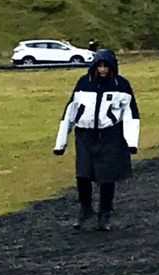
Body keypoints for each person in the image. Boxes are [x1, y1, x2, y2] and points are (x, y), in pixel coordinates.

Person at [53, 49, 139, 232]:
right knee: (82, 175)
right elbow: (70, 112)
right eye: (99, 66)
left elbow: (131, 114)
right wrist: (61, 143)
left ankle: (105, 213)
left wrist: (132, 142)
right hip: (84, 135)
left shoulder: (121, 85)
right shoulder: (83, 83)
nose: (102, 70)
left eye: (105, 66)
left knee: (107, 178)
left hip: (110, 136)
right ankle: (85, 209)